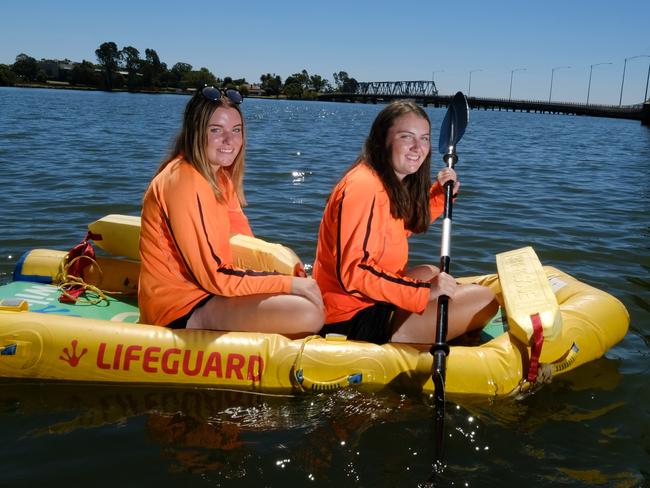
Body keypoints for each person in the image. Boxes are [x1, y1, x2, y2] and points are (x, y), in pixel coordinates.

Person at [138, 86, 323, 336]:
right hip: (180, 307)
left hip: (210, 292)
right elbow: (215, 277)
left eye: (236, 130)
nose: (229, 140)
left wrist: (286, 276)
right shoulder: (183, 181)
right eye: (216, 130)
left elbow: (244, 244)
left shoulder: (220, 177)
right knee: (308, 313)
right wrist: (287, 284)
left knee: (308, 298)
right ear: (195, 132)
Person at [313, 100, 498, 344]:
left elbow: (394, 231)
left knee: (431, 271)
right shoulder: (364, 186)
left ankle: (421, 330)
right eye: (406, 137)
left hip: (363, 303)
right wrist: (424, 293)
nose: (417, 147)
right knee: (485, 299)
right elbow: (354, 272)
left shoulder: (381, 180)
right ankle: (399, 342)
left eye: (424, 138)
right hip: (350, 317)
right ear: (382, 140)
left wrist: (440, 196)